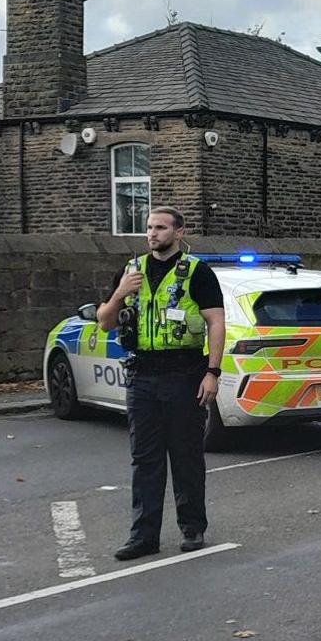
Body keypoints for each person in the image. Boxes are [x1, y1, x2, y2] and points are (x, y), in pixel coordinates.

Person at [95, 207, 226, 560]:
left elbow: (216, 322)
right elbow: (104, 322)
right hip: (142, 374)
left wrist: (212, 372)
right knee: (145, 459)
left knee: (186, 456)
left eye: (161, 228)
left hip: (184, 373)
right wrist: (120, 291)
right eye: (150, 227)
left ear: (179, 232)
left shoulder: (197, 272)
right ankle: (143, 536)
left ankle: (192, 527)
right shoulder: (131, 270)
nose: (153, 234)